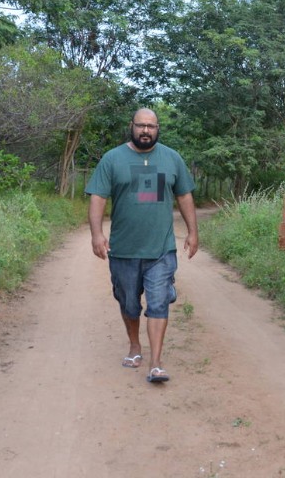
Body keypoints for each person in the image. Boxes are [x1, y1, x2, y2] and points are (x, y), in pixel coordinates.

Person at [85, 108, 199, 383]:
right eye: (141, 126)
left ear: (158, 128)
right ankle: (135, 346)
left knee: (159, 302)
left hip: (161, 249)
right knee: (129, 303)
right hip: (124, 249)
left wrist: (193, 232)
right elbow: (98, 198)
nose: (146, 131)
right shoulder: (112, 159)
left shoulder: (172, 158)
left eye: (151, 126)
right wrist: (97, 234)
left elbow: (184, 195)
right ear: (131, 126)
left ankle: (156, 362)